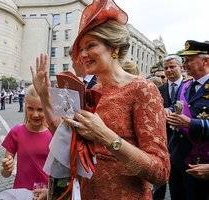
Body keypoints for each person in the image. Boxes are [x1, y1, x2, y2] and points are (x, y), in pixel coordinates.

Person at [31, 1, 170, 199]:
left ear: (113, 47)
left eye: (91, 46)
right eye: (80, 49)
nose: (83, 55)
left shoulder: (143, 89)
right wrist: (44, 96)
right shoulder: (90, 90)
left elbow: (161, 172)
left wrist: (105, 135)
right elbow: (64, 138)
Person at [166, 40, 209, 199]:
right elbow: (178, 107)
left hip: (201, 163)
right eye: (183, 60)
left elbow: (190, 118)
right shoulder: (185, 85)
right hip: (178, 159)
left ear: (205, 61)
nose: (184, 64)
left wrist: (191, 123)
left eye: (189, 60)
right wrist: (167, 111)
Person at [0, 85, 52, 191]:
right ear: (25, 107)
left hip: (47, 194)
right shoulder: (16, 132)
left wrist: (50, 191)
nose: (35, 114)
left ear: (47, 108)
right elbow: (5, 174)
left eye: (40, 109)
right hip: (21, 193)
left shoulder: (54, 133)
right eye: (30, 108)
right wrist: (6, 168)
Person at [154, 55, 183, 200]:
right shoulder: (158, 89)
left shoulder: (188, 87)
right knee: (161, 183)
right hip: (163, 138)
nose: (169, 70)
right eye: (166, 68)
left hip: (183, 142)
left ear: (181, 67)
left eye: (172, 67)